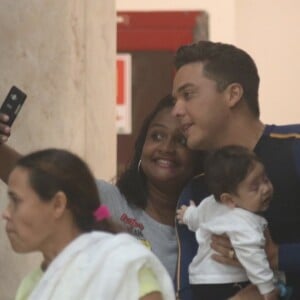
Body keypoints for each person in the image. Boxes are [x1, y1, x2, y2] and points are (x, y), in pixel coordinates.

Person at [0, 94, 204, 282]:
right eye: (157, 136)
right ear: (142, 144)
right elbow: (36, 181)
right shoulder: (105, 203)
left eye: (181, 141)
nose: (166, 148)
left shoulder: (208, 221)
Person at [171, 40, 300, 299]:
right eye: (176, 100)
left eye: (188, 95)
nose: (176, 111)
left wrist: (278, 256)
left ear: (232, 94)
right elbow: (187, 286)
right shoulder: (195, 190)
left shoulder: (294, 149)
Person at [2, 148, 176, 300]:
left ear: (58, 204)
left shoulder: (122, 267)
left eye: (16, 201)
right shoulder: (31, 286)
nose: (6, 213)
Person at [177, 145, 281, 300]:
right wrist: (268, 288)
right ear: (229, 199)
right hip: (227, 283)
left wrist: (186, 214)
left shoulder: (210, 203)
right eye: (255, 187)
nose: (265, 189)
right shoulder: (245, 222)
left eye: (265, 179)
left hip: (200, 281)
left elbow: (196, 217)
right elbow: (253, 256)